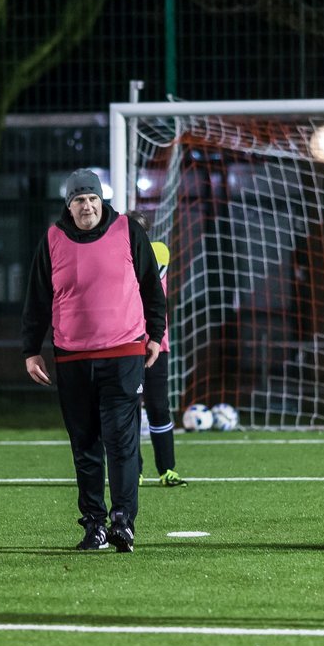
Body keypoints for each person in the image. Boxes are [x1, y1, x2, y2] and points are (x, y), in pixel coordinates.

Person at [22, 170, 167, 552]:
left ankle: (123, 521)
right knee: (84, 444)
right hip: (71, 357)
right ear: (68, 205)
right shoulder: (53, 239)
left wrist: (155, 334)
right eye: (78, 200)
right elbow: (37, 297)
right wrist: (31, 348)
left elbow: (151, 285)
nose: (86, 206)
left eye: (91, 199)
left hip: (122, 352)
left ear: (101, 200)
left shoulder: (127, 231)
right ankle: (94, 524)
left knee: (120, 441)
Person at [126, 209, 186, 487]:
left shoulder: (158, 252)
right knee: (128, 410)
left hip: (155, 344)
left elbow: (144, 282)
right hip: (125, 345)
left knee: (158, 406)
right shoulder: (118, 257)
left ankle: (167, 469)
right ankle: (132, 470)